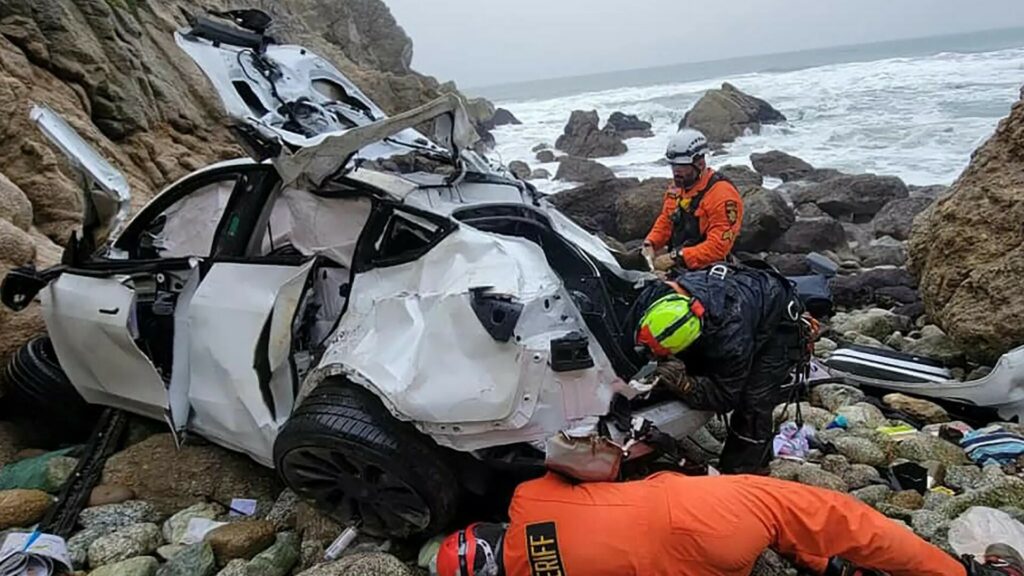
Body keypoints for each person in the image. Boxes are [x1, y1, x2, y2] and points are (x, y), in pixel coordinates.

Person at [435, 471, 1015, 576]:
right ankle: (959, 574)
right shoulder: (530, 500)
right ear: (485, 533)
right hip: (706, 512)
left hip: (709, 566)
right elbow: (594, 465)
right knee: (839, 517)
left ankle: (827, 569)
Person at [620, 261, 809, 474]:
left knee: (753, 403)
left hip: (777, 321)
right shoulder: (655, 295)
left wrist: (685, 384)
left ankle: (741, 473)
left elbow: (726, 396)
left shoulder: (732, 341)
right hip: (736, 293)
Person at [642, 128, 744, 272]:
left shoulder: (722, 195)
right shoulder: (678, 188)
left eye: (682, 166)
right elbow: (666, 220)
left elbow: (718, 247)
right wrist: (650, 244)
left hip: (711, 268)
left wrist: (676, 257)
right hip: (680, 259)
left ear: (700, 164)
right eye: (673, 165)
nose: (676, 171)